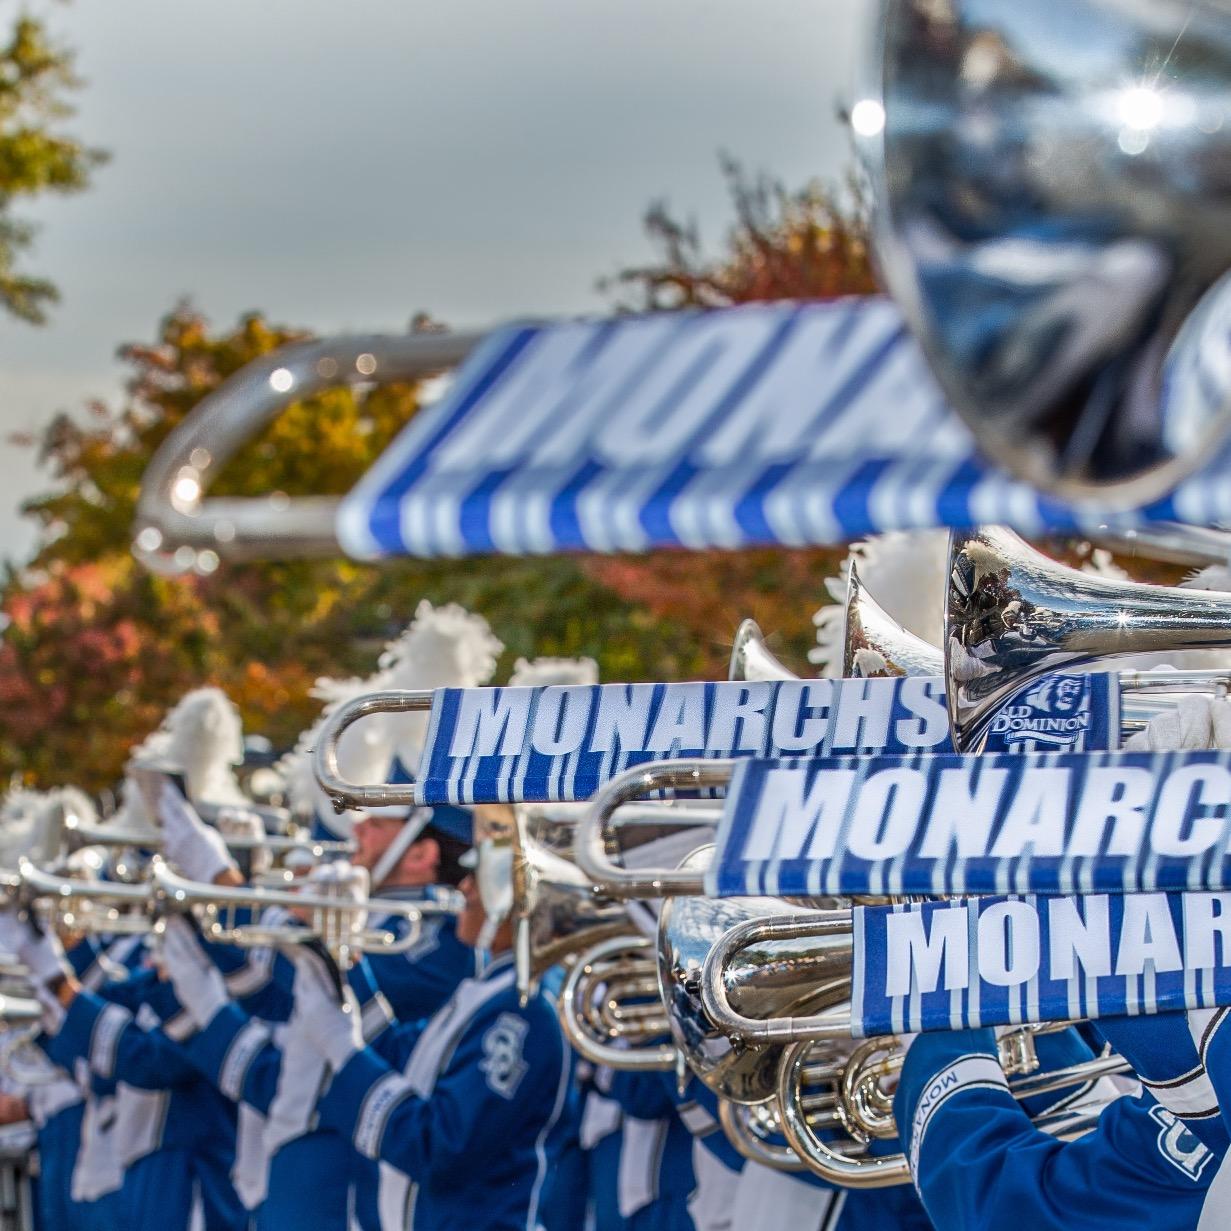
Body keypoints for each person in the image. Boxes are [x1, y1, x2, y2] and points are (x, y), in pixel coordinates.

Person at [283, 838, 574, 1231]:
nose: (465, 888)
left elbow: (441, 1146)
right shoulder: (492, 988)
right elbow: (402, 1056)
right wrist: (340, 948)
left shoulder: (523, 1009)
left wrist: (341, 1047)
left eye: (478, 877)